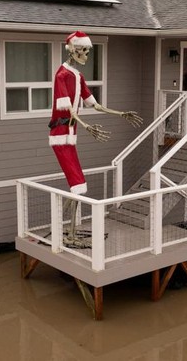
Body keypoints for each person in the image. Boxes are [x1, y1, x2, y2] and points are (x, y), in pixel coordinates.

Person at [49, 31, 142, 245]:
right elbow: (68, 110)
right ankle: (68, 233)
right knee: (78, 184)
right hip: (60, 136)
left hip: (70, 136)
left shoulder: (78, 76)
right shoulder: (61, 75)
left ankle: (64, 228)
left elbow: (95, 105)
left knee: (79, 185)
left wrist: (121, 114)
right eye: (84, 50)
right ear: (73, 50)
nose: (86, 55)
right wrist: (87, 126)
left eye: (87, 51)